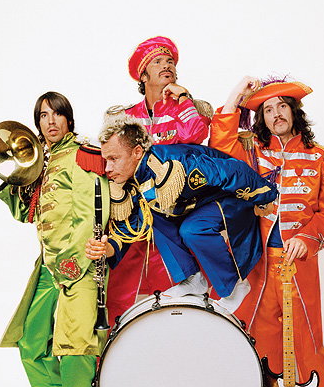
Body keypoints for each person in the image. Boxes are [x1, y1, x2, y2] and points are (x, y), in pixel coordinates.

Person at [209, 76, 324, 387]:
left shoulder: (321, 157)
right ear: (262, 118)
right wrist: (236, 94)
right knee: (257, 337)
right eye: (267, 109)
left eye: (282, 106)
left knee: (308, 339)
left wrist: (306, 238)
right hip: (259, 261)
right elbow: (219, 146)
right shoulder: (250, 152)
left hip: (299, 263)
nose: (276, 114)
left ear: (294, 111)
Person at [0, 92, 109, 387]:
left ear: (68, 119)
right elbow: (26, 215)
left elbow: (93, 212)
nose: (50, 121)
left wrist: (75, 262)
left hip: (79, 264)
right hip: (48, 266)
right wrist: (14, 176)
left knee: (75, 350)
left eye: (57, 114)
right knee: (31, 339)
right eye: (43, 116)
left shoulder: (85, 155)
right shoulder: (39, 163)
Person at [85, 115, 278, 315]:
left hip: (228, 197)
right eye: (106, 160)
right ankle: (192, 279)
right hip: (196, 207)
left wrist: (265, 196)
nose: (108, 169)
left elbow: (232, 171)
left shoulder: (177, 163)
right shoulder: (132, 180)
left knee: (193, 229)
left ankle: (235, 286)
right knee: (153, 217)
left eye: (114, 159)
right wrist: (107, 248)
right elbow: (132, 224)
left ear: (137, 152)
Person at [105, 36, 214, 322]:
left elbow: (195, 135)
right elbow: (111, 161)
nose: (167, 66)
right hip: (133, 220)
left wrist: (183, 98)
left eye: (170, 62)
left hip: (174, 213)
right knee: (120, 304)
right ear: (143, 76)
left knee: (178, 311)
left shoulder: (188, 110)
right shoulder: (123, 118)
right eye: (158, 62)